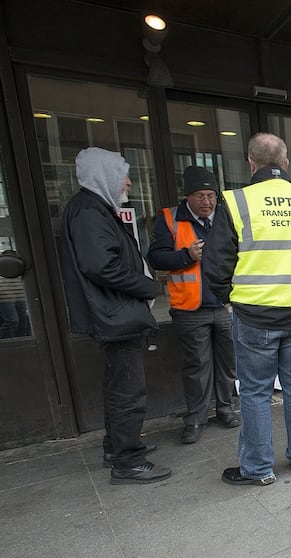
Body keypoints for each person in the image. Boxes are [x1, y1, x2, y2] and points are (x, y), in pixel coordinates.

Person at [206, 132, 291, 486]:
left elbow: (215, 265)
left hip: (254, 315)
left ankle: (258, 468)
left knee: (255, 390)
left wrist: (228, 299)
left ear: (251, 162)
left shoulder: (234, 202)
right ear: (286, 162)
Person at [60, 147, 170, 484]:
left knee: (118, 384)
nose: (130, 183)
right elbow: (100, 266)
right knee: (127, 389)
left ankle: (118, 446)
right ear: (105, 175)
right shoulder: (89, 212)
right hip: (115, 315)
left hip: (113, 313)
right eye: (124, 175)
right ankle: (128, 461)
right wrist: (147, 286)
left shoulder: (92, 208)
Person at [147, 166, 239, 445]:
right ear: (188, 196)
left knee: (227, 364)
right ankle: (196, 418)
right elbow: (156, 258)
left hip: (225, 306)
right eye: (200, 195)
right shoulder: (170, 219)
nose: (207, 201)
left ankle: (225, 409)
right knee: (196, 367)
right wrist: (186, 255)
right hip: (189, 307)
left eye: (211, 195)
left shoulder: (225, 217)